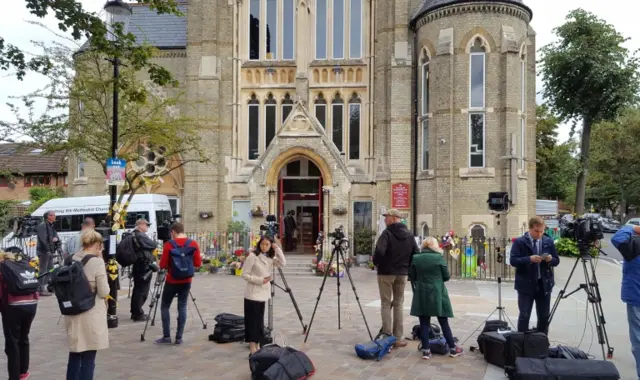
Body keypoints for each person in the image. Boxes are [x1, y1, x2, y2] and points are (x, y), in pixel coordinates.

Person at [65, 229, 110, 380]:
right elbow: (104, 292)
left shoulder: (71, 258)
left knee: (75, 354)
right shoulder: (97, 262)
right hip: (91, 312)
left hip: (73, 311)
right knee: (89, 356)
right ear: (97, 244)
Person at [409, 237, 463, 359]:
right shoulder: (438, 258)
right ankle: (453, 349)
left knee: (424, 323)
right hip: (437, 292)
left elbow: (412, 276)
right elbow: (447, 276)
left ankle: (426, 351)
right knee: (443, 322)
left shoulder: (416, 258)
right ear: (434, 246)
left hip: (422, 292)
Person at [373, 208, 419, 347]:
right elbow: (416, 253)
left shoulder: (386, 233)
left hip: (386, 273)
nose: (385, 219)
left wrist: (377, 263)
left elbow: (379, 252)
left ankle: (387, 337)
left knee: (386, 304)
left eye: (386, 217)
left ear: (393, 218)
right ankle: (398, 337)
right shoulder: (409, 235)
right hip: (402, 273)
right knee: (398, 304)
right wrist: (407, 267)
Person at [510, 216, 560, 334]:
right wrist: (529, 259)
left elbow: (556, 261)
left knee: (543, 316)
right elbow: (513, 261)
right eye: (536, 231)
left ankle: (541, 343)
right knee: (524, 315)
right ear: (530, 229)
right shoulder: (519, 242)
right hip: (526, 285)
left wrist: (550, 259)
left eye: (542, 231)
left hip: (544, 285)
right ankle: (522, 343)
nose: (539, 234)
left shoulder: (548, 241)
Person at [155, 222, 202, 345]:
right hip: (186, 281)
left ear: (173, 232)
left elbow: (163, 265)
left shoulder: (169, 245)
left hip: (172, 280)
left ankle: (166, 336)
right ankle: (179, 337)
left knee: (165, 306)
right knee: (182, 306)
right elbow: (198, 264)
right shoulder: (193, 244)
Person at [242, 235, 286, 355]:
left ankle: (257, 345)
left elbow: (283, 263)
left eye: (267, 245)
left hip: (263, 294)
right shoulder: (253, 257)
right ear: (259, 244)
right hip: (252, 293)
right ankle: (252, 347)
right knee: (252, 321)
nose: (264, 247)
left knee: (259, 321)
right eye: (262, 244)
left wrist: (277, 248)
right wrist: (260, 280)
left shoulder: (270, 258)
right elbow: (244, 274)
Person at [0, 252, 39, 380]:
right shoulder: (21, 265)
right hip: (31, 305)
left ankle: (14, 376)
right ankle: (23, 372)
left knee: (12, 342)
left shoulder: (2, 268)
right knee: (24, 337)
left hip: (13, 306)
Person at [130, 218, 159, 322]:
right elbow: (153, 245)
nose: (147, 227)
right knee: (142, 291)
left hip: (138, 265)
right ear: (140, 225)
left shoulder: (133, 234)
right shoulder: (140, 235)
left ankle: (135, 312)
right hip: (143, 266)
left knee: (137, 289)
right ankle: (138, 313)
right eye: (146, 225)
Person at [621, 225, 640, 380]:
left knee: (638, 338)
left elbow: (617, 238)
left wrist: (632, 227)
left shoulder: (634, 247)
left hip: (635, 297)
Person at [36, 210, 58, 296]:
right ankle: (40, 289)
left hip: (49, 251)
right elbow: (42, 240)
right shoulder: (42, 225)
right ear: (48, 216)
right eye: (53, 215)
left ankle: (51, 287)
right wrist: (48, 250)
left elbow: (55, 235)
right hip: (44, 252)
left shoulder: (51, 225)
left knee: (51, 269)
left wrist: (56, 238)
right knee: (43, 270)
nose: (54, 216)